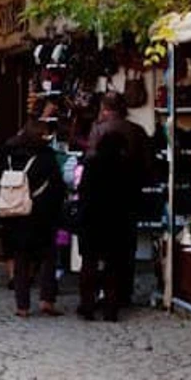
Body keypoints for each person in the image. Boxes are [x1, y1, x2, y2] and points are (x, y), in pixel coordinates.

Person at [84, 91, 150, 309]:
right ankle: (122, 294)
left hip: (97, 205)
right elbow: (147, 165)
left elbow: (89, 165)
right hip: (127, 199)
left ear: (105, 109)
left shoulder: (98, 131)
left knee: (93, 256)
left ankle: (91, 298)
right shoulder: (137, 131)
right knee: (123, 251)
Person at [0, 117, 65, 318]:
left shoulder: (10, 154)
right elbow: (57, 186)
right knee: (48, 257)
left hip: (15, 212)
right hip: (42, 213)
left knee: (21, 259)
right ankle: (46, 299)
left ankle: (22, 305)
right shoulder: (46, 157)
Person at [77, 129, 134, 321]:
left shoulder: (91, 164)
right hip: (117, 221)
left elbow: (83, 192)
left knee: (89, 264)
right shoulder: (125, 166)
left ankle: (87, 306)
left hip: (92, 220)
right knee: (113, 266)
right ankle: (111, 308)